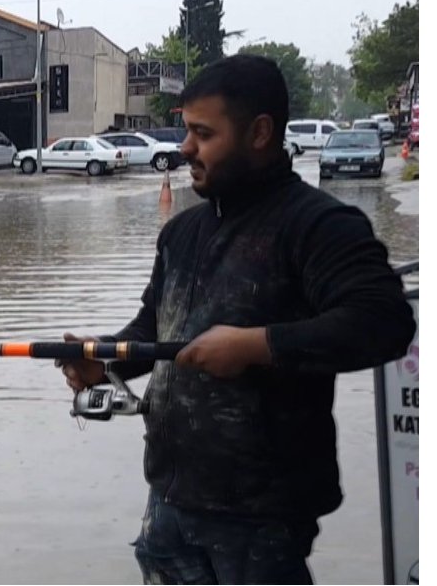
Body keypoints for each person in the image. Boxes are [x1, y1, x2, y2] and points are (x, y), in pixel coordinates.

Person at [57, 54, 416, 584]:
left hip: (262, 515)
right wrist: (100, 359)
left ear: (260, 133)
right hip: (169, 502)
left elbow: (384, 322)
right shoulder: (180, 234)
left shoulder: (319, 226)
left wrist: (255, 346)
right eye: (186, 132)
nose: (185, 149)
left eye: (203, 134)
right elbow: (153, 332)